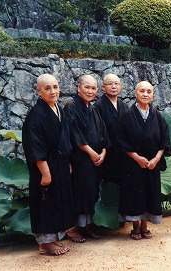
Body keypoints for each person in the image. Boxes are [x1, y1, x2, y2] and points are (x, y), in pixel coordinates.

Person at [22, 74, 75, 256]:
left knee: (58, 201)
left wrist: (67, 162)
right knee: (46, 202)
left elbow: (66, 139)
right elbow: (35, 146)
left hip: (60, 164)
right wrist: (45, 173)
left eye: (55, 87)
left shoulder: (59, 109)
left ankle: (53, 239)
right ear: (39, 91)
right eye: (47, 88)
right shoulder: (35, 116)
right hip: (45, 167)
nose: (52, 91)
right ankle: (45, 244)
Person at [117, 81, 171, 240]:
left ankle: (145, 226)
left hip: (152, 164)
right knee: (135, 194)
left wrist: (156, 158)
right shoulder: (126, 115)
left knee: (149, 193)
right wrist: (137, 158)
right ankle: (135, 226)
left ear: (152, 94)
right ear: (135, 93)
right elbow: (121, 141)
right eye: (142, 91)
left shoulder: (157, 115)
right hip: (133, 164)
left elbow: (165, 139)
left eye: (149, 91)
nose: (145, 94)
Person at [64, 74, 109, 242]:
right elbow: (75, 134)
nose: (90, 91)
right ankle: (73, 228)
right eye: (87, 87)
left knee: (92, 191)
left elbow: (103, 133)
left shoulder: (93, 108)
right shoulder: (71, 107)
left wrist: (103, 151)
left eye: (93, 88)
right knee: (79, 192)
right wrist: (91, 152)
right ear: (78, 88)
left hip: (96, 160)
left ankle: (87, 225)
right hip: (80, 159)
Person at [94, 74, 129, 184]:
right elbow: (98, 131)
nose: (113, 86)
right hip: (107, 154)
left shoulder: (124, 106)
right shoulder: (98, 106)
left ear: (120, 86)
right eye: (110, 84)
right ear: (103, 87)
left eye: (116, 84)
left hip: (123, 154)